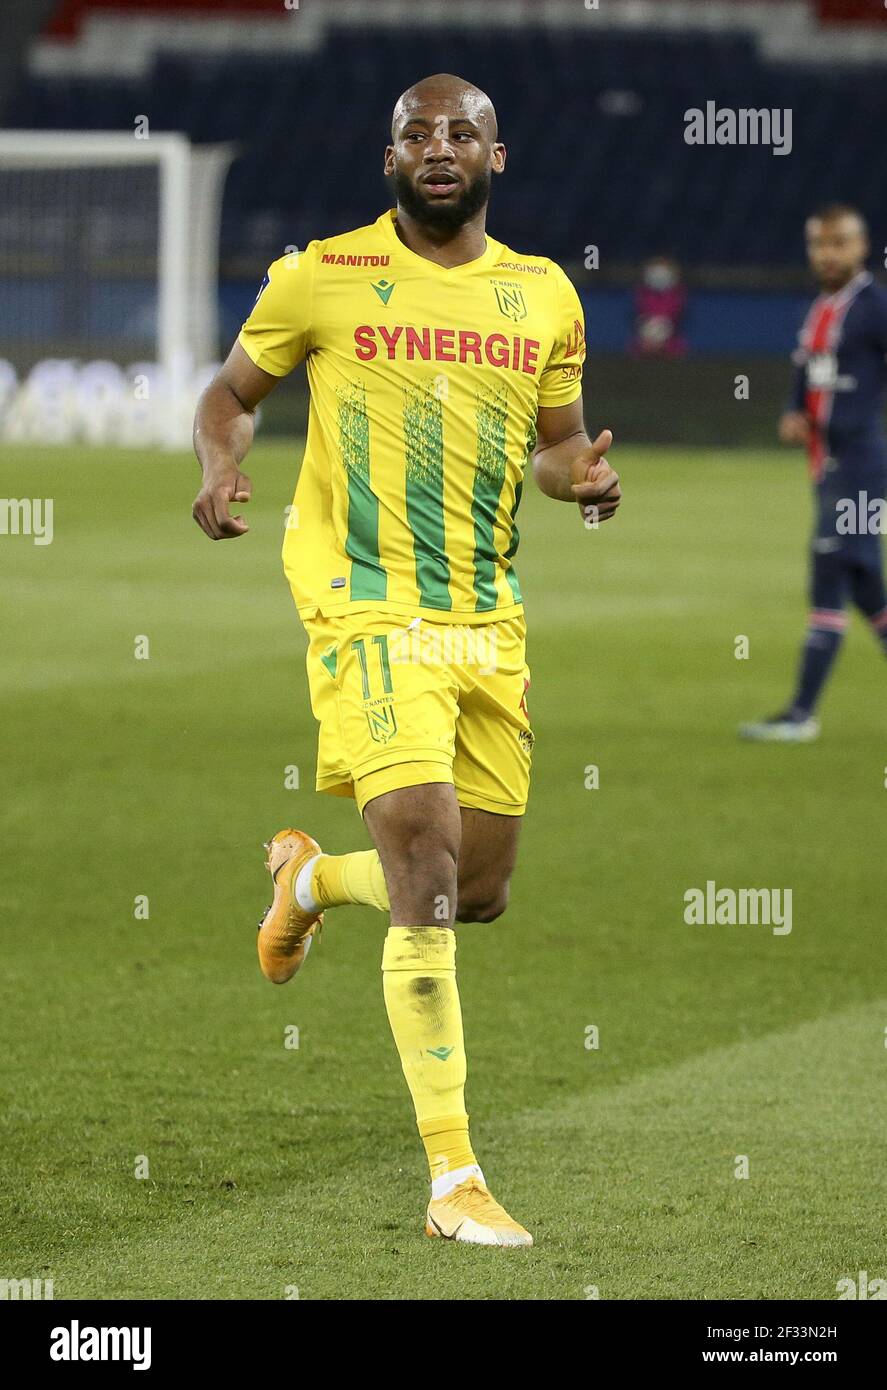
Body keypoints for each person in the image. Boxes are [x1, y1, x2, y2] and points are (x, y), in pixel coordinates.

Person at [192, 73, 620, 1246]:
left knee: (475, 891)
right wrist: (220, 461)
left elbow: (556, 446)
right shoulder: (316, 275)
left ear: (497, 156)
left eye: (462, 132)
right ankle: (452, 1180)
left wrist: (580, 479)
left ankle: (310, 881)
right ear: (389, 161)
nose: (440, 147)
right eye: (416, 134)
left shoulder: (541, 295)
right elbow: (231, 395)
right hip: (365, 607)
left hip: (488, 619)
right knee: (427, 866)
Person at [741, 205, 887, 743]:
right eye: (819, 245)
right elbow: (809, 369)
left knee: (829, 568)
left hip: (861, 466)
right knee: (866, 584)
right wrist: (793, 408)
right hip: (829, 465)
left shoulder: (873, 308)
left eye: (839, 244)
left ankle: (801, 714)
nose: (828, 254)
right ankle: (800, 713)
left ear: (862, 246)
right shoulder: (825, 306)